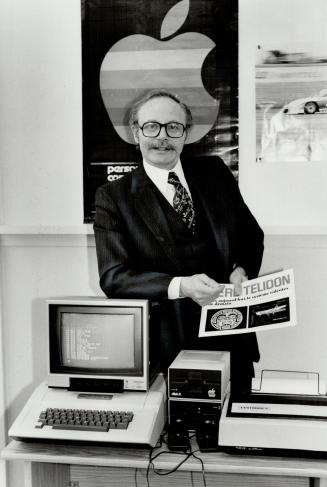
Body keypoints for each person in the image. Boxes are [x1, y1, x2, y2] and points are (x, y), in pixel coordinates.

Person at [94, 89, 264, 395]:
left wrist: (242, 269)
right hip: (167, 350)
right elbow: (114, 278)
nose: (163, 137)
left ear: (185, 133)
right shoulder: (113, 197)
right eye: (152, 127)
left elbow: (251, 235)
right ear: (136, 133)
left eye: (173, 127)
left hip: (232, 339)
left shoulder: (215, 173)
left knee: (238, 436)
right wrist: (182, 286)